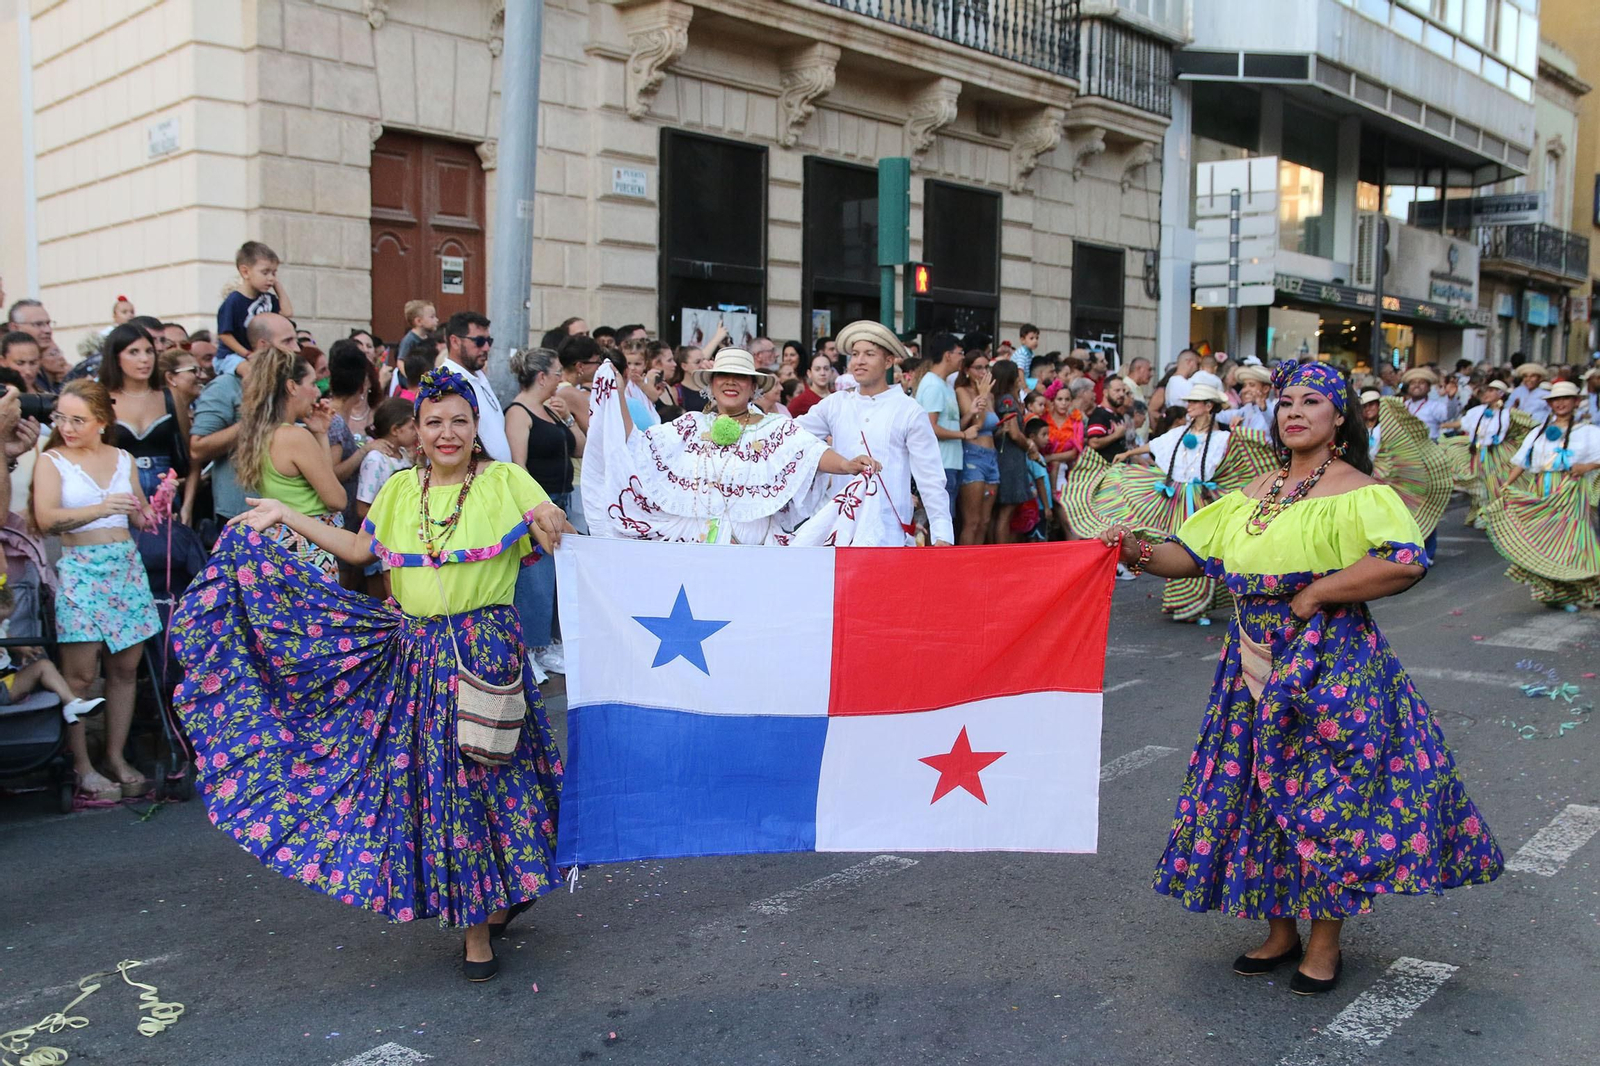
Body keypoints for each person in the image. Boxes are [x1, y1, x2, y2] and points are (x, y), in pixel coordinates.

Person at [1102, 358, 1502, 996]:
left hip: (1328, 662)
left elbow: (1403, 562)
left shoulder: (1360, 491)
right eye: (1285, 401)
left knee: (1327, 797)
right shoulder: (1254, 493)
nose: (1293, 411)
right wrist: (1132, 548)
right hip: (1252, 661)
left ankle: (1324, 942)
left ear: (1338, 417)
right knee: (1257, 790)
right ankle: (1280, 929)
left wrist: (1318, 594)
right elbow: (1193, 557)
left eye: (1311, 401)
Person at [173, 367, 569, 982]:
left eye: (458, 421)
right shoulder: (398, 491)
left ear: (475, 428)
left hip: (486, 652)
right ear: (417, 430)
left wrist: (551, 521)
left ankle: (505, 884)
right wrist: (285, 515)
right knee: (451, 789)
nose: (446, 433)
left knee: (501, 779)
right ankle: (475, 929)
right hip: (419, 654)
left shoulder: (504, 480)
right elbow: (360, 551)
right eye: (433, 422)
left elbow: (546, 514)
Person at [582, 348, 875, 545]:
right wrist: (615, 393)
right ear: (711, 384)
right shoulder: (690, 426)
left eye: (741, 377)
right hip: (697, 548)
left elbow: (810, 453)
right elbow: (639, 446)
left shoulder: (774, 427)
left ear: (752, 386)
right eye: (723, 376)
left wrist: (847, 465)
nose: (731, 383)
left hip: (753, 551)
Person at [30, 380, 163, 802]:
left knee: (125, 670)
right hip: (80, 570)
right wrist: (102, 508)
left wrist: (156, 505)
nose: (67, 427)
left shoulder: (123, 458)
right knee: (81, 675)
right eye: (61, 418)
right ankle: (81, 765)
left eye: (77, 420)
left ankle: (115, 755)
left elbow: (141, 519)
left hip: (124, 567)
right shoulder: (52, 460)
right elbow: (47, 518)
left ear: (102, 423)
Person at [1064, 381, 1276, 623]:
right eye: (1189, 402)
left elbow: (1258, 447)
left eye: (1195, 402)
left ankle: (1197, 606)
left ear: (1208, 406)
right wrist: (1128, 454)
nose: (1190, 406)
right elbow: (1158, 444)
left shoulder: (1223, 438)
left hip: (1201, 499)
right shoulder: (1182, 432)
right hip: (1175, 497)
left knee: (1199, 548)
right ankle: (1179, 601)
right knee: (1177, 544)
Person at [795, 321, 954, 546]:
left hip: (889, 534)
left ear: (889, 361)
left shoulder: (909, 410)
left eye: (869, 354)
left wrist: (942, 535)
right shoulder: (836, 404)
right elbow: (792, 434)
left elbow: (931, 478)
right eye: (855, 354)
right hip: (839, 531)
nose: (859, 361)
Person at [1482, 380, 1600, 610]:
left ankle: (1576, 591)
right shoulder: (1539, 432)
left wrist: (1586, 467)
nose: (1561, 404)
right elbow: (1522, 460)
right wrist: (1506, 484)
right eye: (1556, 400)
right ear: (1550, 404)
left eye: (1566, 399)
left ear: (1576, 402)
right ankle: (1556, 592)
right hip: (1542, 487)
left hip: (1570, 489)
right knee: (1546, 540)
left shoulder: (1588, 432)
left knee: (1571, 541)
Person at [233, 347, 347, 578]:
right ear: (292, 386)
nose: (317, 392)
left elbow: (322, 480)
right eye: (313, 383)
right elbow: (336, 499)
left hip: (278, 544)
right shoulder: (295, 437)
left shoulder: (261, 433)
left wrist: (320, 434)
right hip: (308, 547)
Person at [505, 347, 584, 675]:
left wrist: (567, 417)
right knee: (536, 578)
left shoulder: (551, 409)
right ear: (541, 377)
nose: (560, 380)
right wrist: (531, 508)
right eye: (556, 374)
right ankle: (530, 648)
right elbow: (518, 465)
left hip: (562, 499)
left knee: (557, 577)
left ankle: (550, 642)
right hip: (541, 502)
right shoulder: (519, 412)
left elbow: (579, 446)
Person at [1357, 392, 1453, 552]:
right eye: (1364, 405)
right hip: (1372, 477)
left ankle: (1427, 550)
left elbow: (1403, 450)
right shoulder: (1359, 430)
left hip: (1396, 477)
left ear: (1380, 406)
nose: (1368, 408)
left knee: (1415, 508)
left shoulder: (1391, 428)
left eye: (1372, 404)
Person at [1440, 380, 1528, 529]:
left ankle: (1495, 515)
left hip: (1498, 454)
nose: (1486, 394)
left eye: (1491, 391)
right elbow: (1463, 423)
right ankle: (1485, 512)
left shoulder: (1508, 414)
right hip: (1477, 452)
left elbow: (1528, 425)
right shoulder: (1478, 411)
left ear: (1500, 394)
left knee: (1495, 484)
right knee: (1477, 482)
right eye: (1486, 390)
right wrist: (1442, 425)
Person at [354, 397, 417, 596]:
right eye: (412, 426)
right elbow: (362, 508)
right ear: (395, 430)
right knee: (383, 599)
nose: (417, 431)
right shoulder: (376, 460)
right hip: (379, 544)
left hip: (402, 540)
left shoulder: (403, 455)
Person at [438, 312, 509, 463]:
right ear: (455, 342)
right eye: (479, 341)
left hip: (496, 478)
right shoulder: (446, 381)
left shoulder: (479, 376)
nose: (486, 347)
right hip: (473, 480)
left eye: (489, 341)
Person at [915, 333, 970, 519]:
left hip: (951, 463)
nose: (963, 357)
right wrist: (963, 435)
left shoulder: (944, 384)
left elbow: (950, 423)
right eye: (960, 352)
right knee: (939, 521)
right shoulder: (933, 385)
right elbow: (930, 428)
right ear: (948, 355)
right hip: (939, 465)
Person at [217, 241, 292, 375]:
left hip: (257, 355)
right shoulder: (234, 301)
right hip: (232, 356)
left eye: (274, 273)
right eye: (265, 272)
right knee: (252, 372)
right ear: (245, 272)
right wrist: (246, 354)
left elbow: (287, 313)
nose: (271, 278)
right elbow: (224, 334)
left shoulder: (267, 299)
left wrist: (278, 286)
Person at [987, 359, 1036, 544]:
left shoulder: (1000, 397)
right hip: (1010, 459)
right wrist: (1030, 446)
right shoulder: (1007, 400)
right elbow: (1014, 432)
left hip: (1003, 458)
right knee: (1005, 513)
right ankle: (1002, 556)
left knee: (995, 514)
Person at [954, 350, 999, 545]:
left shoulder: (989, 395)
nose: (983, 372)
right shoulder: (962, 392)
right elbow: (977, 424)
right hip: (972, 455)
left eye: (986, 367)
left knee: (984, 521)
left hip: (991, 456)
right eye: (978, 368)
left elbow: (991, 425)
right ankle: (964, 568)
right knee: (971, 521)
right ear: (966, 370)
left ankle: (978, 567)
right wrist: (981, 396)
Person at [1217, 364, 1274, 433]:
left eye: (1252, 385)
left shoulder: (1273, 410)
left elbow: (1273, 421)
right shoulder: (1247, 408)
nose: (1245, 390)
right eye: (1244, 386)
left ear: (1265, 389)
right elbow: (1223, 416)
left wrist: (1264, 408)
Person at [1399, 368, 1450, 440]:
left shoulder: (1436, 406)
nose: (1417, 385)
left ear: (1429, 388)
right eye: (1413, 383)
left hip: (1430, 444)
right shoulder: (1402, 405)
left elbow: (1449, 418)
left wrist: (1451, 399)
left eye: (1421, 383)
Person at [395, 300, 439, 376]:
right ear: (418, 321)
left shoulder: (430, 338)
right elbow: (400, 361)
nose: (437, 320)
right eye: (432, 317)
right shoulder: (409, 340)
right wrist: (408, 377)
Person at [788, 351, 836, 418]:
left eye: (826, 369)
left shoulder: (837, 397)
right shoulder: (799, 402)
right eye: (817, 369)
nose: (822, 373)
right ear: (809, 373)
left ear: (831, 372)